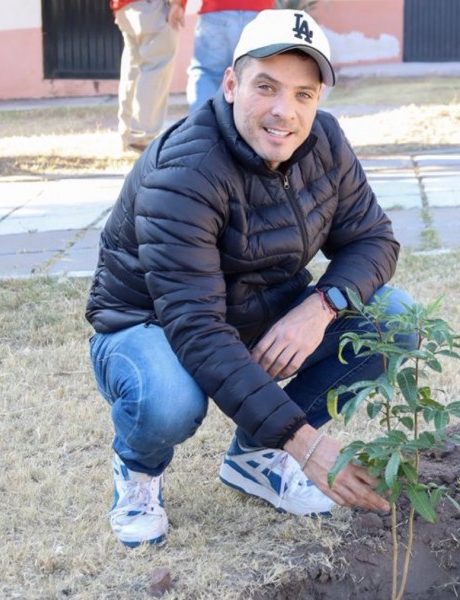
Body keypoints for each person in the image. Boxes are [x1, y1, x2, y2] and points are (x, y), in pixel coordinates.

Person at [86, 8, 416, 547]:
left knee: (393, 319)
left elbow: (374, 239)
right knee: (169, 401)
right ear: (231, 85)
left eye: (304, 94)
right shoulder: (185, 171)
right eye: (267, 87)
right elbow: (196, 328)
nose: (285, 111)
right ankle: (138, 471)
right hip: (151, 325)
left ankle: (254, 459)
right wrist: (304, 444)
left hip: (249, 311)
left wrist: (322, 306)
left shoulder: (325, 141)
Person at [111, 0, 186, 152]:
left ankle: (128, 134)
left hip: (125, 7)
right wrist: (177, 3)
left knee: (133, 69)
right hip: (152, 7)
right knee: (156, 68)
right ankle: (141, 136)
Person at [186, 0, 275, 114]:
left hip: (217, 9)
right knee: (260, 75)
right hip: (259, 12)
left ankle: (200, 121)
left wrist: (180, 5)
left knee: (207, 74)